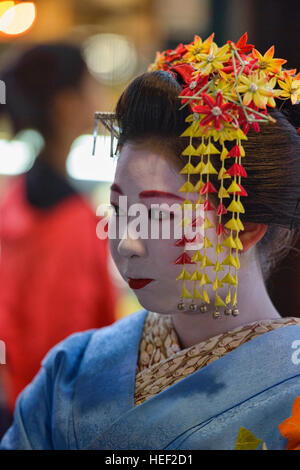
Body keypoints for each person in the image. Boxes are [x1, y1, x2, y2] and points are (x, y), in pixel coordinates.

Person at [1, 33, 300, 450]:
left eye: (157, 214)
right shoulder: (70, 371)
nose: (126, 242)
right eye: (119, 209)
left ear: (244, 227)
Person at [0, 43, 116, 416]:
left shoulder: (13, 201)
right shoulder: (70, 222)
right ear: (66, 103)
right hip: (54, 415)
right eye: (91, 85)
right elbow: (66, 340)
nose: (99, 97)